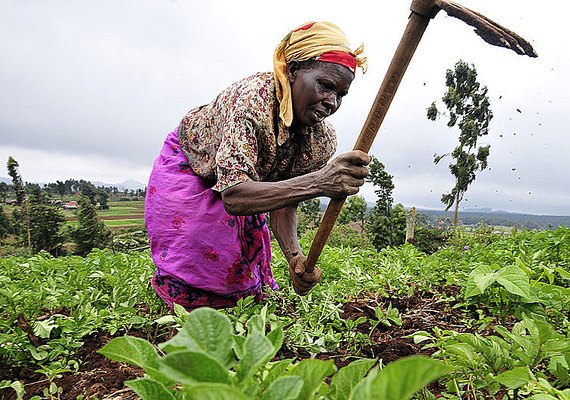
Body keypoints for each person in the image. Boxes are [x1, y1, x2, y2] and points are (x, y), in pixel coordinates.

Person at [145, 21, 371, 311]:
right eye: (325, 86)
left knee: (239, 276)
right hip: (193, 163)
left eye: (341, 94)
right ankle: (179, 313)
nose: (332, 102)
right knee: (197, 248)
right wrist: (319, 182)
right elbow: (235, 196)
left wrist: (295, 258)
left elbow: (285, 200)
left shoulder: (321, 140)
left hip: (246, 179)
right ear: (292, 71)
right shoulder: (252, 102)